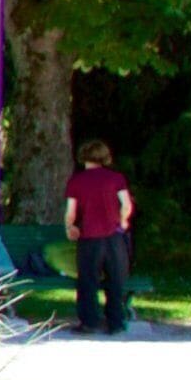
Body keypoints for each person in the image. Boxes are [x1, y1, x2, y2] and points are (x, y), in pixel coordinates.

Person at [61, 139, 134, 335]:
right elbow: (126, 205)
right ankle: (116, 322)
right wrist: (123, 221)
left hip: (89, 237)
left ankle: (89, 322)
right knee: (115, 281)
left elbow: (71, 211)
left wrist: (70, 227)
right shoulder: (116, 178)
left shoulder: (76, 181)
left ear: (83, 157)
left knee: (88, 282)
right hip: (114, 237)